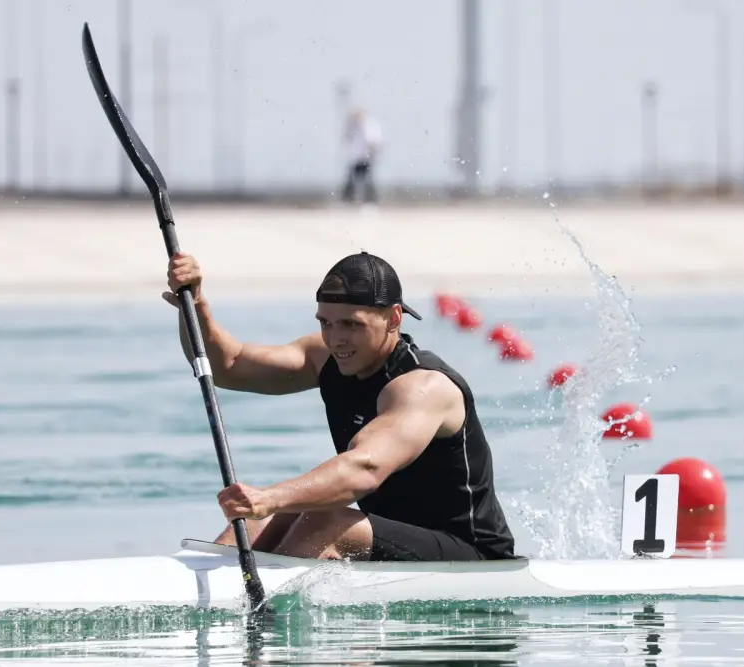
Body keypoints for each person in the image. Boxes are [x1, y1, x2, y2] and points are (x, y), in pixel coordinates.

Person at [162, 250, 516, 562]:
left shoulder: (423, 387)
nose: (336, 339)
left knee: (320, 518)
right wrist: (197, 305)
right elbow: (229, 365)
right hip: (386, 536)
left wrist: (269, 496)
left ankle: (265, 604)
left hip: (469, 553)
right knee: (264, 518)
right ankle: (206, 585)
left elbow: (364, 469)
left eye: (351, 324)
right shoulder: (327, 358)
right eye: (326, 323)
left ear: (394, 318)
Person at [340, 108, 382, 205]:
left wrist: (373, 152)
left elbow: (373, 140)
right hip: (356, 157)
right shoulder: (353, 127)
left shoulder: (370, 126)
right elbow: (347, 138)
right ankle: (350, 199)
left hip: (366, 156)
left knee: (366, 179)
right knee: (353, 178)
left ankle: (369, 200)